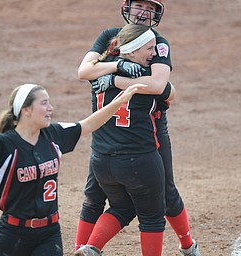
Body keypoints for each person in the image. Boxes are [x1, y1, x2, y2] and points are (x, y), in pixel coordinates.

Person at [74, 1, 201, 256]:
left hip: (140, 126)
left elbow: (160, 85)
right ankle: (81, 249)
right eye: (139, 5)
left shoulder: (158, 42)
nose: (144, 12)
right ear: (127, 7)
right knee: (96, 196)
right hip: (129, 139)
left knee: (165, 191)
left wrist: (113, 79)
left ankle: (187, 245)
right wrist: (117, 66)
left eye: (150, 8)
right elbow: (82, 71)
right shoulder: (110, 35)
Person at [0, 83, 144, 256]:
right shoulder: (5, 144)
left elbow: (88, 124)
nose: (50, 108)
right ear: (26, 110)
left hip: (49, 233)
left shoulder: (54, 134)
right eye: (44, 103)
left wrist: (119, 102)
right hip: (13, 235)